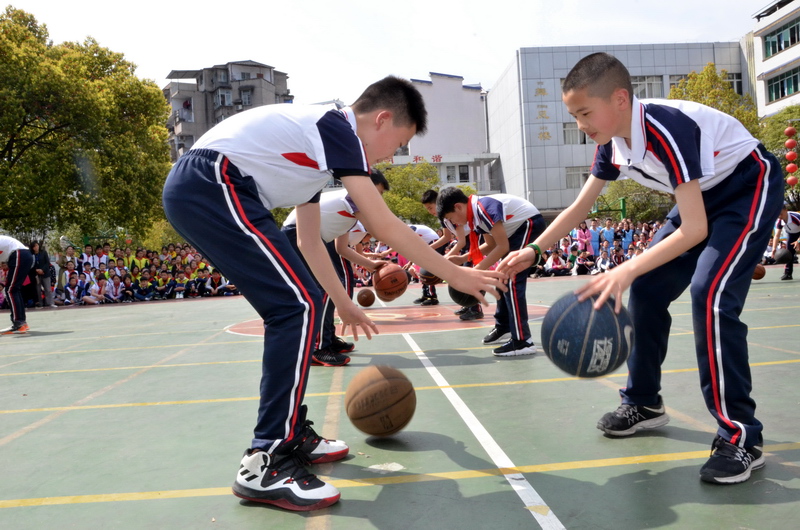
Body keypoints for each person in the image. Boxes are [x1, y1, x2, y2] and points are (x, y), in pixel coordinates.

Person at [161, 75, 504, 511]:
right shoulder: (335, 127)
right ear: (381, 120)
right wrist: (453, 274)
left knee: (303, 303)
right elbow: (384, 224)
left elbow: (308, 241)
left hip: (212, 188)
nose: (391, 157)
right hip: (211, 183)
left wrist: (341, 303)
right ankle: (266, 458)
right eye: (397, 144)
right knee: (294, 307)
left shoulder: (316, 157)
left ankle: (290, 432)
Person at [498, 52, 783, 485]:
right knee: (647, 289)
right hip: (700, 202)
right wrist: (535, 249)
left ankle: (741, 436)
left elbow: (694, 229)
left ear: (619, 99)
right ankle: (644, 402)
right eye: (574, 115)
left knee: (710, 294)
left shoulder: (667, 130)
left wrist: (624, 269)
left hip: (746, 186)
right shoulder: (610, 143)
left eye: (585, 113)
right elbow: (581, 207)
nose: (581, 124)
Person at [281, 170, 390, 366]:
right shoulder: (354, 198)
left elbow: (342, 248)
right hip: (296, 234)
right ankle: (318, 348)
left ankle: (328, 339)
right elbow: (379, 230)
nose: (378, 198)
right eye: (377, 192)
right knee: (326, 288)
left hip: (312, 237)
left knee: (334, 287)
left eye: (380, 195)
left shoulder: (350, 208)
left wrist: (371, 264)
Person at [437, 186, 545, 356]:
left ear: (458, 206)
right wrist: (463, 259)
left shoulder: (482, 208)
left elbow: (502, 246)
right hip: (516, 231)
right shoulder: (476, 216)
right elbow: (491, 245)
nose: (456, 224)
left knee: (510, 278)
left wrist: (475, 270)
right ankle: (504, 327)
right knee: (502, 279)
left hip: (528, 223)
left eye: (452, 218)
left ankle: (523, 341)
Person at [0, 235, 34, 334]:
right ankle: (21, 322)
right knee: (14, 289)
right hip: (23, 255)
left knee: (11, 290)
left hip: (19, 254)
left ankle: (19, 322)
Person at [770, 203, 800, 280]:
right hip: (792, 235)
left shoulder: (795, 217)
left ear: (786, 210)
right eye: (777, 214)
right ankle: (788, 273)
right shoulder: (779, 221)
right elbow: (777, 235)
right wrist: (774, 248)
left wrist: (798, 241)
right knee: (789, 253)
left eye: (781, 213)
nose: (779, 216)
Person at [30, 241, 55, 309]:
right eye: (34, 246)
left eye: (37, 245)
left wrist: (42, 270)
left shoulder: (43, 253)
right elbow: (30, 264)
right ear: (32, 248)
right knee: (38, 289)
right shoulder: (31, 254)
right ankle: (39, 304)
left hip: (45, 273)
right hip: (36, 274)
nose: (36, 247)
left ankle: (50, 303)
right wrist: (36, 270)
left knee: (48, 289)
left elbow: (47, 263)